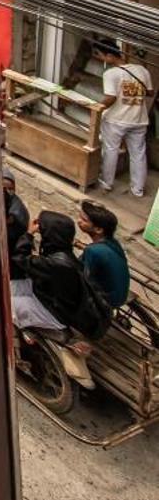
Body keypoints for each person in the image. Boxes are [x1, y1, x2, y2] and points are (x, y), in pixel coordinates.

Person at [10, 211, 92, 336]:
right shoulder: (62, 252)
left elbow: (20, 258)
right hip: (45, 296)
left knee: (5, 306)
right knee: (5, 288)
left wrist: (29, 234)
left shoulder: (58, 263)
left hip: (53, 312)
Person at [95, 42, 153, 199]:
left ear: (110, 56)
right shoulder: (142, 70)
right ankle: (138, 189)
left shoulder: (111, 74)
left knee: (110, 150)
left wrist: (96, 106)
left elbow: (111, 98)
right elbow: (150, 92)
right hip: (138, 119)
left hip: (116, 120)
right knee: (138, 154)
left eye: (100, 55)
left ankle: (107, 183)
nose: (100, 59)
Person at [77, 200, 130, 310]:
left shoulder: (93, 250)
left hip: (106, 300)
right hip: (120, 295)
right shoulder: (113, 242)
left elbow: (84, 278)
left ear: (99, 229)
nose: (79, 221)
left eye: (84, 220)